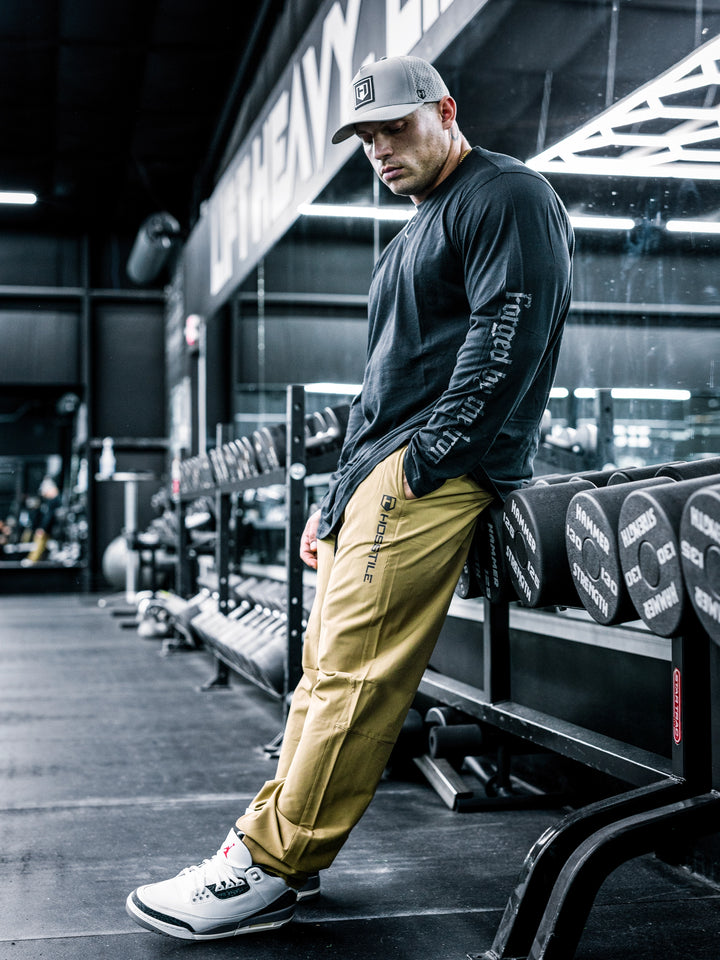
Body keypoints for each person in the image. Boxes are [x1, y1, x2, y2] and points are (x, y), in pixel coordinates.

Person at [126, 54, 574, 941]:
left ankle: (271, 864)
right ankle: (264, 853)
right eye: (366, 137)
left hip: (425, 478)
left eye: (396, 128)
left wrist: (423, 465)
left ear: (446, 111)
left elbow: (507, 336)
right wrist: (334, 499)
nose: (380, 149)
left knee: (354, 680)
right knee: (321, 678)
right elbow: (380, 387)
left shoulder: (505, 196)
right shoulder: (415, 230)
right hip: (378, 478)